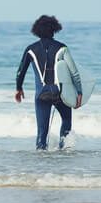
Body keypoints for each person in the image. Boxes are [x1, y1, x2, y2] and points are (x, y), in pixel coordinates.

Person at [14, 15, 82, 150]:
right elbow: (74, 73)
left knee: (42, 131)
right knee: (66, 122)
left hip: (41, 95)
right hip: (60, 94)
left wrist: (19, 88)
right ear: (54, 30)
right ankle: (64, 151)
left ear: (37, 31)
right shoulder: (62, 48)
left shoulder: (30, 49)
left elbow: (20, 71)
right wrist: (79, 92)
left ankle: (41, 162)